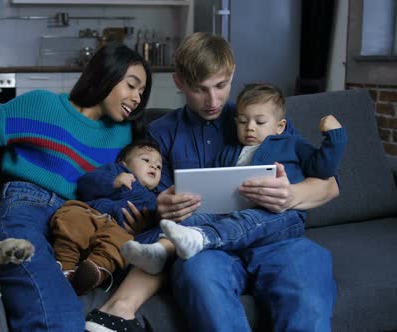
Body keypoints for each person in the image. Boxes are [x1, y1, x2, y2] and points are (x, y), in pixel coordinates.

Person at [85, 32, 339, 332]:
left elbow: (330, 185)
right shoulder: (160, 133)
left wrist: (291, 194)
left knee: (307, 275)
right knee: (197, 275)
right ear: (179, 82)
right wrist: (161, 209)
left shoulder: (257, 116)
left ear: (232, 74)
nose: (213, 100)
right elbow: (148, 204)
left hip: (276, 241)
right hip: (206, 251)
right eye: (199, 89)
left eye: (221, 86)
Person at [0, 44, 152, 331]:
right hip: (26, 205)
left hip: (81, 220)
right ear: (106, 75)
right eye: (132, 86)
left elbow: (132, 186)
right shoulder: (40, 105)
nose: (137, 98)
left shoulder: (124, 135)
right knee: (50, 300)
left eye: (142, 93)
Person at [121, 83, 347, 275]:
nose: (249, 128)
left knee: (247, 219)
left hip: (278, 214)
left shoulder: (291, 144)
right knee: (189, 222)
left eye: (259, 122)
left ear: (280, 126)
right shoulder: (230, 150)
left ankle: (202, 239)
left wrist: (334, 138)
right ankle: (156, 251)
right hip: (230, 213)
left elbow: (323, 169)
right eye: (242, 121)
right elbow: (212, 180)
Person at [50, 140, 162, 295]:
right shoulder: (114, 170)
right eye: (146, 160)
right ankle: (65, 266)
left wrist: (147, 222)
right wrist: (113, 182)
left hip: (117, 228)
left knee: (122, 244)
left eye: (158, 166)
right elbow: (85, 184)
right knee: (72, 218)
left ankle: (94, 271)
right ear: (124, 163)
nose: (153, 166)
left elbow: (153, 221)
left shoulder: (153, 199)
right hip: (91, 213)